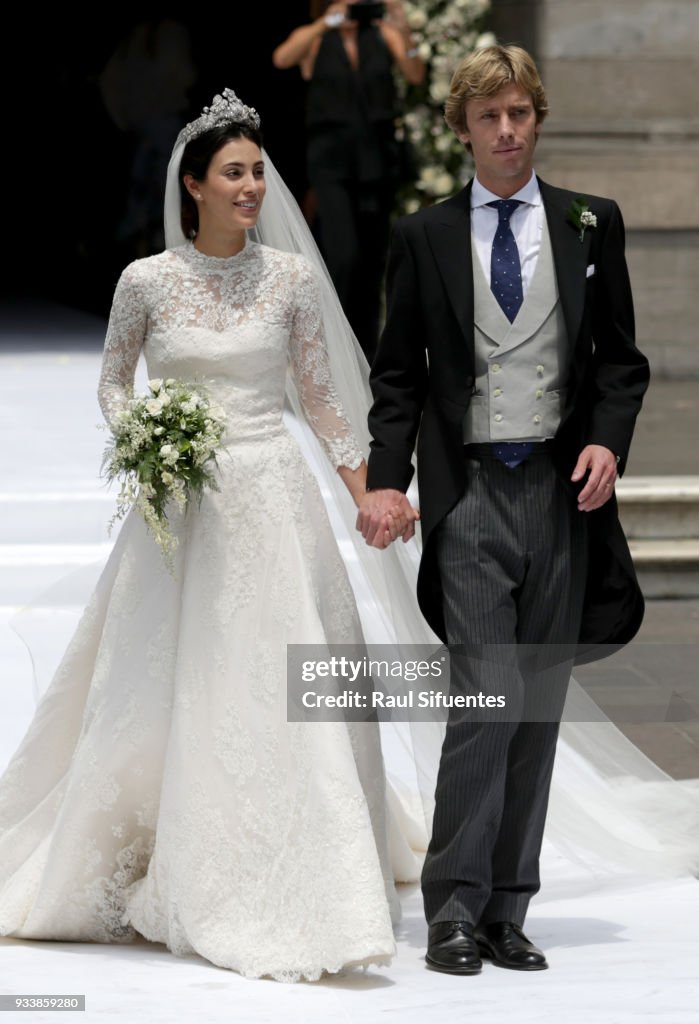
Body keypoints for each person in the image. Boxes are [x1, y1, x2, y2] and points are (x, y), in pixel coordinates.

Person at [0, 88, 411, 982]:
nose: (252, 186)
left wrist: (365, 488)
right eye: (234, 173)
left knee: (278, 670)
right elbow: (113, 382)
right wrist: (144, 436)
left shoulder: (293, 281)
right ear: (192, 185)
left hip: (272, 497)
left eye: (258, 171)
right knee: (172, 679)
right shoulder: (144, 282)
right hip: (181, 508)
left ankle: (313, 861)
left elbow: (319, 395)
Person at [357, 44, 652, 974]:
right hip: (472, 492)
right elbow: (399, 376)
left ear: (537, 119)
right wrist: (384, 480)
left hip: (563, 496)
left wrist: (607, 436)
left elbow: (618, 360)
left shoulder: (588, 223)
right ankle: (453, 905)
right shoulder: (424, 236)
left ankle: (506, 909)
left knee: (535, 708)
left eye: (521, 114)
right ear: (463, 129)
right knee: (484, 701)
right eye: (490, 118)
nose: (508, 132)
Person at [272, 0, 425, 364]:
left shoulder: (383, 34)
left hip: (376, 161)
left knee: (374, 260)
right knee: (344, 255)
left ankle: (366, 354)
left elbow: (416, 71)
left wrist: (403, 27)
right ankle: (329, 346)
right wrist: (326, 22)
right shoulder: (316, 37)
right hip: (331, 162)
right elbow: (282, 58)